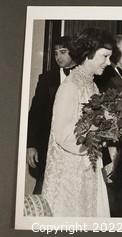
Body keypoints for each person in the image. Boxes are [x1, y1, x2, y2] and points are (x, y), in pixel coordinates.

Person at [42, 28, 114, 217]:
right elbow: (62, 135)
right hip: (69, 174)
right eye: (105, 57)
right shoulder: (70, 87)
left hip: (87, 168)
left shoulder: (92, 84)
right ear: (88, 55)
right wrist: (95, 139)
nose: (109, 62)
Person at [26, 36, 76, 194]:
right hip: (48, 145)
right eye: (55, 53)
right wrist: (31, 145)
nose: (58, 57)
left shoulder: (86, 77)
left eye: (63, 52)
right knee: (43, 189)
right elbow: (35, 114)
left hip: (75, 146)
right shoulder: (46, 79)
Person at [94, 34, 122, 217]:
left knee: (120, 188)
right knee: (110, 189)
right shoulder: (104, 75)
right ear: (116, 51)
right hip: (109, 146)